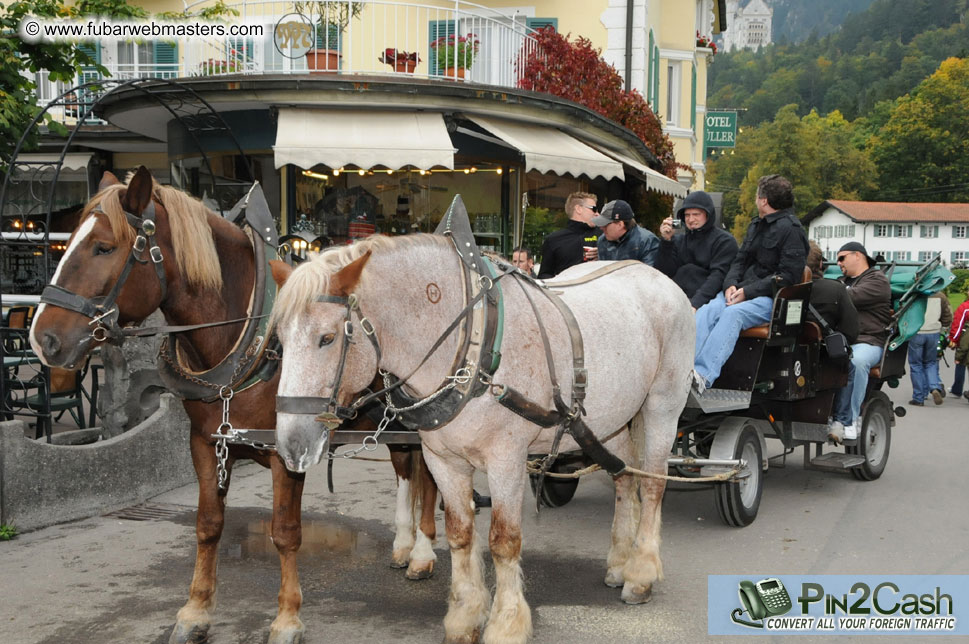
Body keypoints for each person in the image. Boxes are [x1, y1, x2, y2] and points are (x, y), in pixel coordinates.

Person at [692, 174, 808, 392]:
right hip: (740, 291)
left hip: (771, 299)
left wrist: (748, 292)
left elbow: (788, 277)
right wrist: (730, 285)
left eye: (756, 195)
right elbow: (740, 260)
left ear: (763, 201)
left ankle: (702, 377)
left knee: (732, 314)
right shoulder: (756, 225)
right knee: (706, 311)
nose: (755, 199)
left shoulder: (792, 231)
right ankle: (683, 370)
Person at [829, 242, 893, 441]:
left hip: (869, 341)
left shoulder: (877, 280)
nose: (839, 263)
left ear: (858, 255)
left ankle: (849, 420)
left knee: (856, 361)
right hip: (842, 340)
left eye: (842, 258)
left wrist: (826, 292)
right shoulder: (841, 281)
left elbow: (848, 297)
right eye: (837, 259)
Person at [655, 191, 739, 310]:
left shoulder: (724, 241)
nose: (690, 219)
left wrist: (695, 304)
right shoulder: (678, 241)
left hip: (709, 300)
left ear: (707, 215)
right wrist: (666, 241)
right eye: (687, 215)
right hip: (675, 298)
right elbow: (663, 273)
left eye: (696, 214)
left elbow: (717, 277)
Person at [537, 192, 600, 279]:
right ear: (578, 209)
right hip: (566, 287)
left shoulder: (604, 235)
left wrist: (602, 253)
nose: (597, 214)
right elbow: (544, 275)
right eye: (594, 209)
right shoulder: (554, 239)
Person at [907, 291, 951, 407]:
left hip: (917, 332)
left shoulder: (914, 293)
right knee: (931, 363)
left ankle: (918, 397)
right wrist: (943, 325)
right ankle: (934, 387)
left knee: (916, 365)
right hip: (933, 332)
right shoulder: (940, 295)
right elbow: (947, 316)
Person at [590, 199, 659, 265]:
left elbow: (649, 272)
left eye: (605, 224)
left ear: (620, 224)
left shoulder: (647, 242)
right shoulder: (602, 241)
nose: (601, 227)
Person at [948, 284, 969, 400]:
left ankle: (957, 389)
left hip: (966, 340)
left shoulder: (965, 307)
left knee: (960, 362)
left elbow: (958, 325)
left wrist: (953, 339)